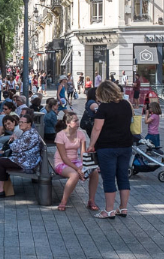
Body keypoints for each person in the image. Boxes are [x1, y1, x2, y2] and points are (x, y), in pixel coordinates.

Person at [87, 81, 133, 219]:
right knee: (123, 177)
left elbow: (97, 128)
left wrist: (91, 144)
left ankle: (109, 210)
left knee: (108, 178)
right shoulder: (126, 105)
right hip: (126, 145)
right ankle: (123, 208)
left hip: (107, 146)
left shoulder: (103, 108)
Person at [0, 114, 42, 198]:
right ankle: (1, 188)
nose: (20, 124)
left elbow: (15, 147)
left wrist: (15, 140)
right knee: (1, 160)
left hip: (26, 161)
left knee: (0, 161)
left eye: (22, 122)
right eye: (19, 122)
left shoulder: (29, 134)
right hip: (26, 159)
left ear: (29, 124)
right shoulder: (29, 132)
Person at [54, 112, 99, 211]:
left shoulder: (80, 134)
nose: (78, 123)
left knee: (94, 172)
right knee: (74, 174)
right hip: (61, 162)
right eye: (75, 121)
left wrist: (86, 166)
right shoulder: (60, 135)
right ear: (68, 123)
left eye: (78, 120)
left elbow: (83, 153)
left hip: (75, 161)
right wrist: (78, 169)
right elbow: (64, 157)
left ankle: (91, 200)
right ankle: (63, 201)